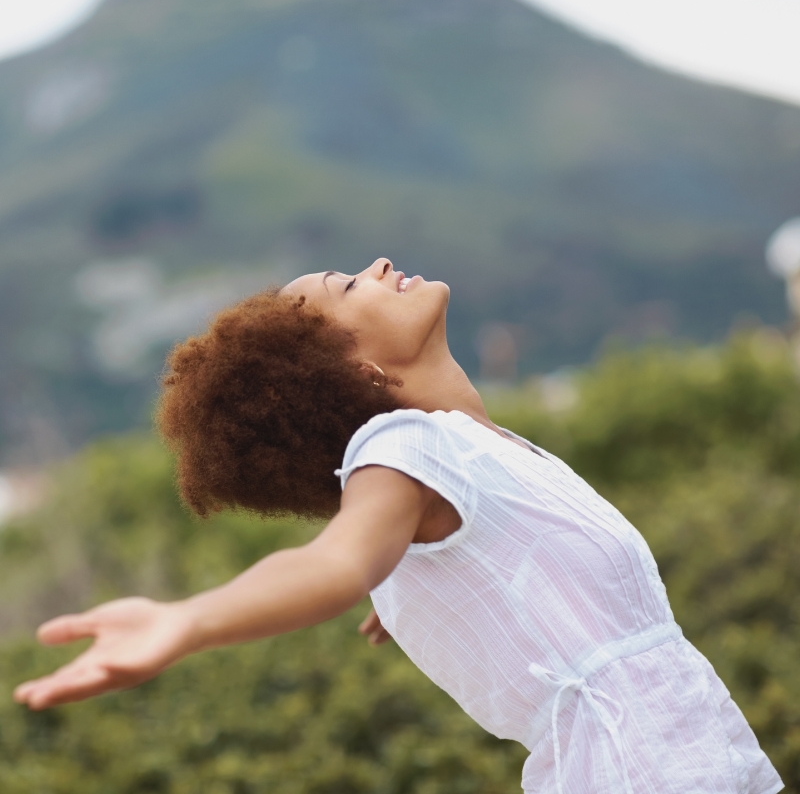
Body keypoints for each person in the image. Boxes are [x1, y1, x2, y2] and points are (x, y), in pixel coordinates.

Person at [14, 258, 783, 794]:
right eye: (349, 284)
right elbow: (331, 565)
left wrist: (423, 592)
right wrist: (186, 620)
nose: (378, 265)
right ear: (351, 370)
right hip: (641, 770)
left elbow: (434, 556)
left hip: (676, 757)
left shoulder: (459, 460)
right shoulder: (405, 447)